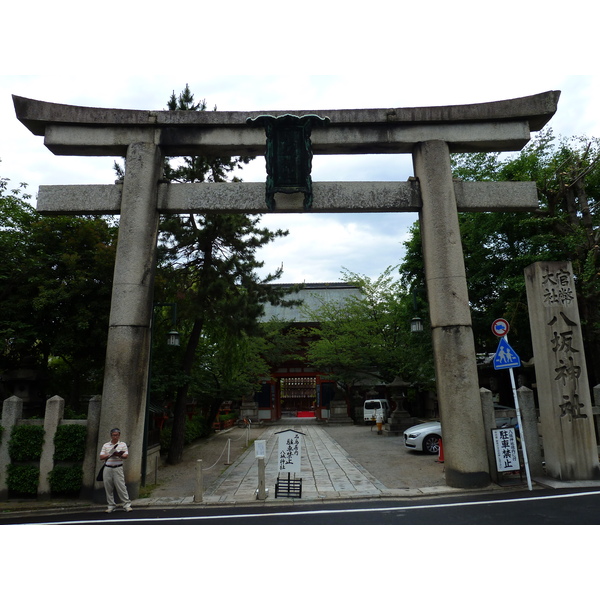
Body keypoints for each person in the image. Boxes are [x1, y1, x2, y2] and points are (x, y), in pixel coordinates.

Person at [99, 428, 132, 513]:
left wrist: (119, 454)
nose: (115, 437)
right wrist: (110, 454)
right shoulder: (106, 445)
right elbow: (101, 457)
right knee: (108, 487)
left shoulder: (123, 444)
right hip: (108, 467)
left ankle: (126, 504)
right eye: (114, 435)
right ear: (111, 436)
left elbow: (125, 456)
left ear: (119, 435)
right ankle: (111, 505)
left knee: (121, 486)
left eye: (117, 435)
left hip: (118, 467)